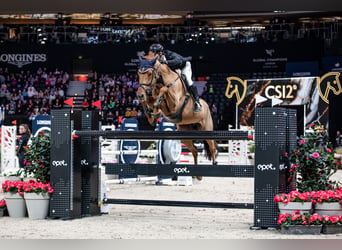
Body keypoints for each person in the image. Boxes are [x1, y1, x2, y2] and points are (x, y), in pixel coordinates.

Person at [148, 43, 202, 112]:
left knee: (188, 81)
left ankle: (197, 102)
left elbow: (178, 61)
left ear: (160, 53)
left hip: (183, 66)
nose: (152, 56)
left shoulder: (169, 54)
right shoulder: (155, 61)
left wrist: (166, 62)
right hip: (172, 70)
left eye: (154, 54)